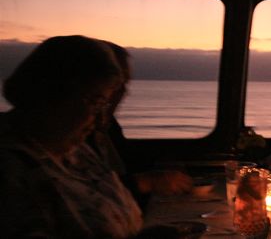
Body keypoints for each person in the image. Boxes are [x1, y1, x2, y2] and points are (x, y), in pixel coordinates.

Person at [0, 35, 183, 238]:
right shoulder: (10, 169)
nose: (101, 118)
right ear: (50, 92)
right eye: (95, 102)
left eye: (104, 104)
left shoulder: (74, 149)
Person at [89, 41, 193, 204]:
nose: (124, 92)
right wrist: (145, 182)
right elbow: (87, 195)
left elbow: (128, 162)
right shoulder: (73, 135)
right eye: (115, 85)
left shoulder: (107, 125)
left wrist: (163, 166)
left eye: (125, 84)